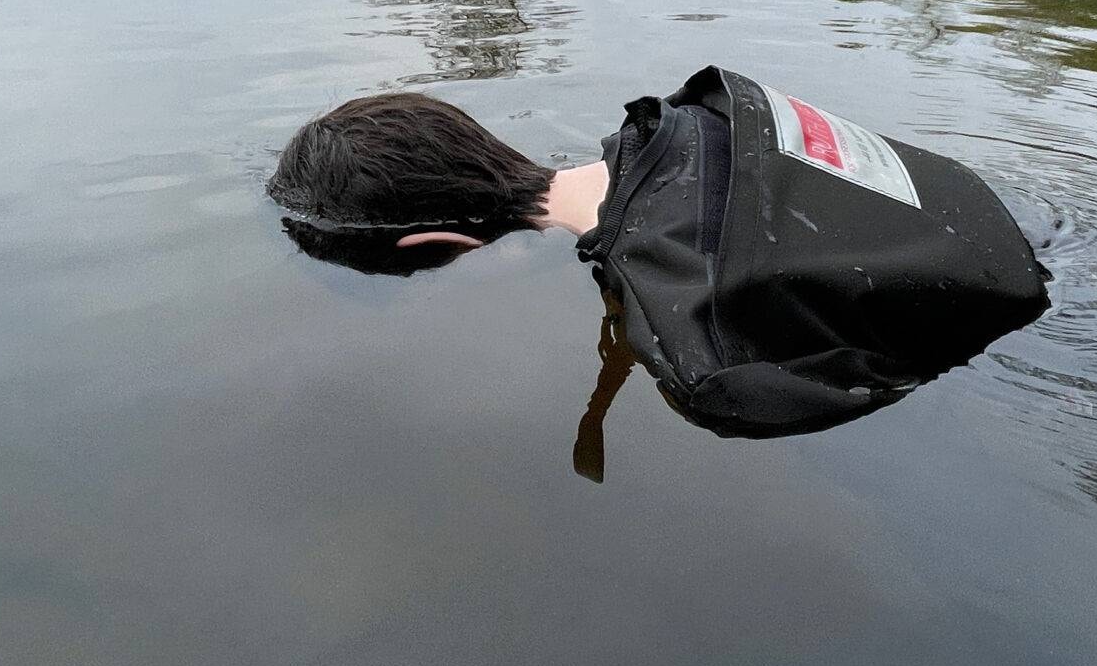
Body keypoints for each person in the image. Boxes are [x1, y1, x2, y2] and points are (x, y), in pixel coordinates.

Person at [268, 67, 1050, 450]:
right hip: (1015, 220)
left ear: (440, 247)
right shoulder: (701, 116)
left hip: (1031, 329)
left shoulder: (698, 345)